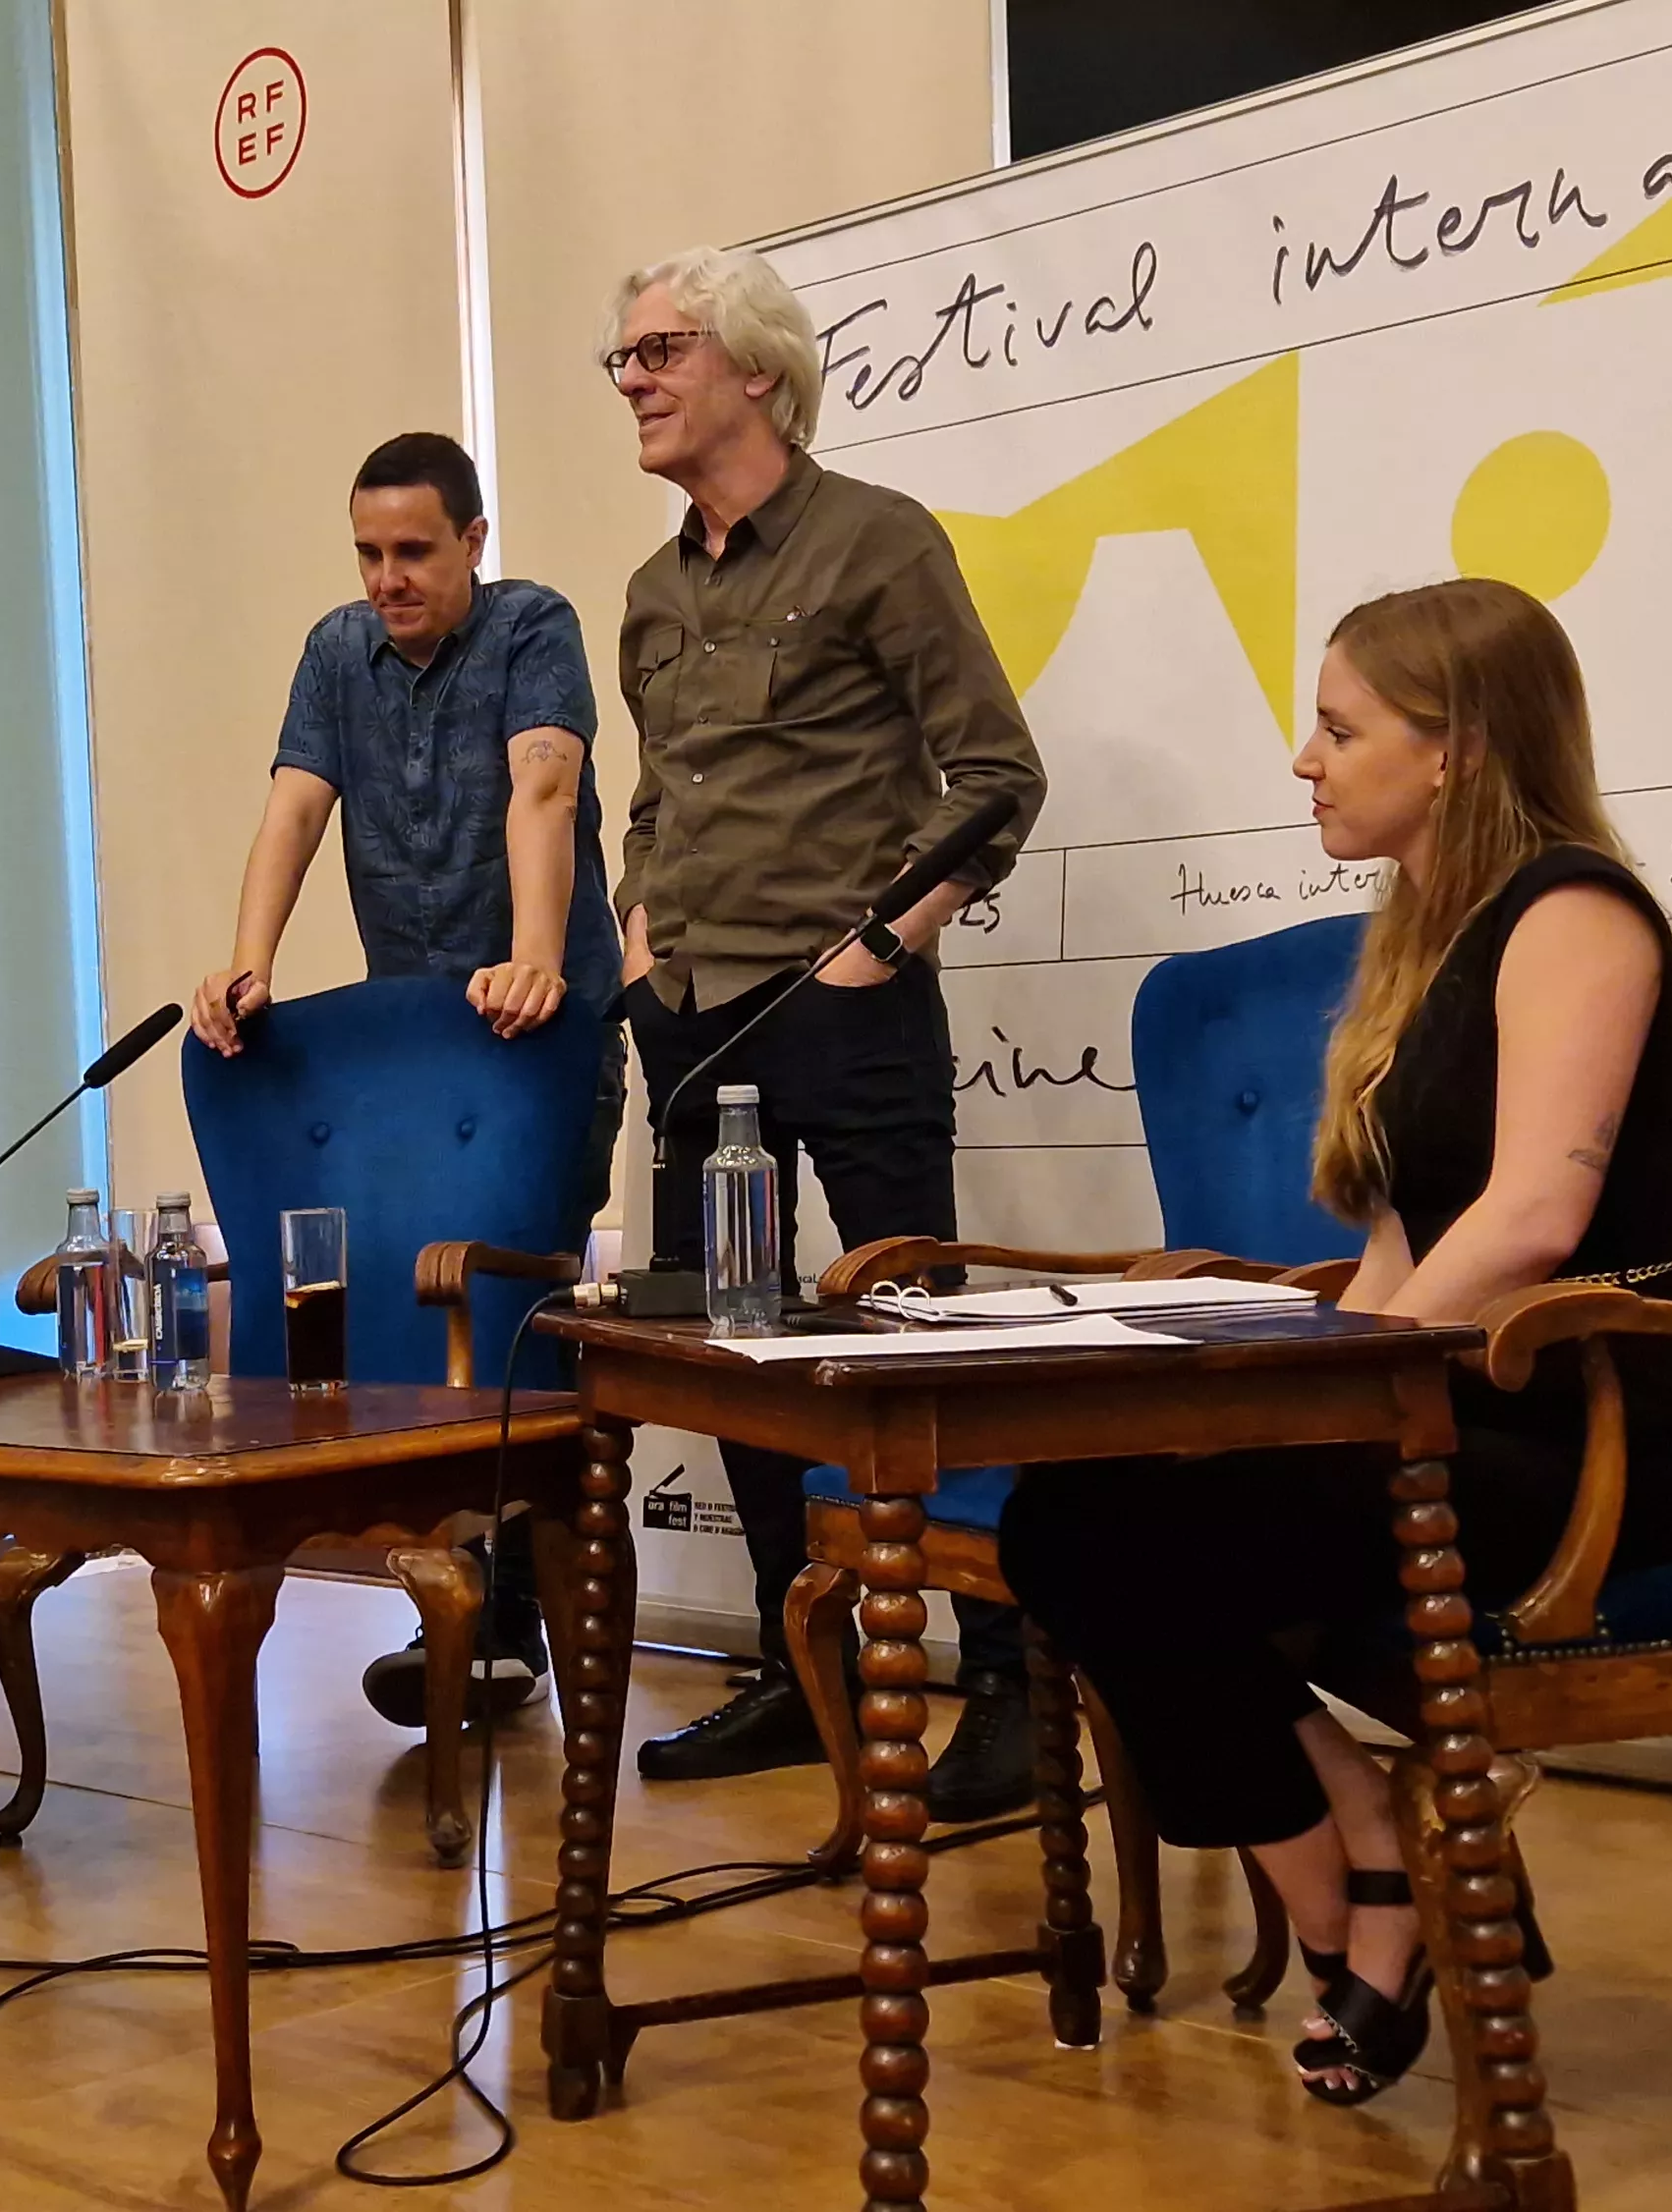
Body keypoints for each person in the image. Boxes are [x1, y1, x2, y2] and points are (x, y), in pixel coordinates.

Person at [996, 581, 1672, 2106]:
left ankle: (1360, 1899)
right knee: (1072, 1516)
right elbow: (1410, 1236)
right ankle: (1357, 1852)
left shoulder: (1577, 910)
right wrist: (1284, 1381)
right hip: (1457, 1398)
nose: (1306, 759)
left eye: (1341, 729)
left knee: (1118, 1531)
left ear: (1458, 746)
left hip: (1589, 1427)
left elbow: (1535, 1215)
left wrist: (1332, 1396)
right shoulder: (1434, 932)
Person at [601, 246, 1050, 1817]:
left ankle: (1000, 1685)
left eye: (661, 350)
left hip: (845, 1005)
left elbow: (995, 776)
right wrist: (639, 922)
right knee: (738, 1348)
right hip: (692, 1016)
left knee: (916, 1328)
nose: (635, 379)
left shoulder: (879, 542)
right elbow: (659, 792)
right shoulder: (654, 595)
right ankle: (806, 1678)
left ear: (756, 370)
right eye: (626, 358)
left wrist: (887, 942)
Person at [188, 428, 619, 1731]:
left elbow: (542, 789)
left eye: (415, 551)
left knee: (515, 1310)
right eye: (370, 553)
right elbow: (295, 807)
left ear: (474, 544)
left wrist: (534, 961)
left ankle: (530, 1616)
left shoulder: (533, 626)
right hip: (414, 1046)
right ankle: (474, 1610)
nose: (389, 577)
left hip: (537, 1030)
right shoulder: (336, 651)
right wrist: (246, 967)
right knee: (421, 1308)